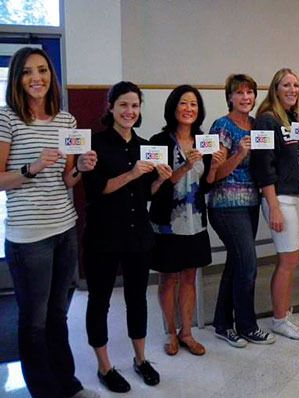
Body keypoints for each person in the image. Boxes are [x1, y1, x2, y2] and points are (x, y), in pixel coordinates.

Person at [0, 47, 98, 398]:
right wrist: (32, 167)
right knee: (34, 320)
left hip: (64, 229)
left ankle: (67, 383)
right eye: (27, 72)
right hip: (28, 237)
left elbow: (68, 180)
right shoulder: (6, 118)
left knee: (59, 314)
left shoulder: (66, 120)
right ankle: (44, 390)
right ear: (18, 78)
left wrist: (81, 169)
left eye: (42, 70)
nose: (36, 78)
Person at [83, 81, 172, 393]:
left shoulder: (145, 145)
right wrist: (133, 173)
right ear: (111, 107)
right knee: (100, 301)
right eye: (123, 105)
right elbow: (97, 190)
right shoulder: (95, 143)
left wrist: (160, 181)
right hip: (102, 236)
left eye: (135, 105)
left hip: (138, 236)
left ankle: (140, 359)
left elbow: (146, 194)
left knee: (137, 299)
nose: (129, 111)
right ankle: (104, 366)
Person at [149, 85, 225, 355]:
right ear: (173, 107)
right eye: (183, 103)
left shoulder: (204, 141)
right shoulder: (158, 141)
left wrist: (214, 165)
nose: (189, 109)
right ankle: (170, 332)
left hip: (195, 222)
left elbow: (205, 186)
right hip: (166, 223)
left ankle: (187, 332)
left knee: (190, 277)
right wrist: (184, 167)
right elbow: (153, 189)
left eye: (194, 104)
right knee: (168, 278)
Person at [250, 68, 299, 339]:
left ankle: (286, 313)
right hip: (280, 199)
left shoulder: (294, 119)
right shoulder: (267, 120)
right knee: (287, 261)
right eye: (286, 85)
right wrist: (274, 206)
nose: (292, 90)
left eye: (296, 85)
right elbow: (263, 165)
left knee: (292, 259)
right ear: (275, 89)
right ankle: (279, 319)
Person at [209, 74, 276, 347]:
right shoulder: (221, 126)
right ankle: (247, 325)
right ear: (230, 97)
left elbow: (264, 163)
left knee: (236, 263)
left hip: (249, 204)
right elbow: (216, 174)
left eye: (250, 93)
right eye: (240, 93)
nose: (246, 98)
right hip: (226, 205)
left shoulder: (255, 124)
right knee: (248, 264)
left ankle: (222, 323)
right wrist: (238, 154)